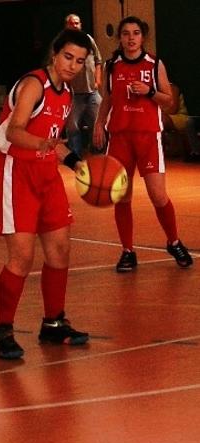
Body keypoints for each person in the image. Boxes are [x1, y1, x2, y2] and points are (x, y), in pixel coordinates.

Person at [0, 27, 91, 360]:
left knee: (60, 250)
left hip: (47, 174)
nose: (73, 65)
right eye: (68, 57)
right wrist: (41, 144)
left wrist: (76, 162)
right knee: (22, 258)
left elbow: (55, 142)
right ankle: (1, 330)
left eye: (80, 61)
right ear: (54, 54)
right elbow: (14, 132)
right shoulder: (34, 84)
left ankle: (54, 323)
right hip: (18, 173)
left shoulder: (67, 94)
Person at [93, 17, 193, 272]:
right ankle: (128, 251)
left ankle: (173, 240)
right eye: (126, 33)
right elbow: (107, 97)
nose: (131, 38)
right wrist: (99, 124)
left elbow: (168, 101)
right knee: (122, 197)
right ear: (120, 38)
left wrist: (148, 91)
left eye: (136, 33)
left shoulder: (154, 64)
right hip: (119, 138)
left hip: (148, 137)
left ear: (143, 37)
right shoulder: (112, 65)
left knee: (158, 196)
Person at [64, 11, 102, 157]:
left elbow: (98, 60)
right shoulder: (63, 44)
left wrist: (98, 81)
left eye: (77, 23)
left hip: (92, 92)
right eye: (71, 23)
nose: (74, 25)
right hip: (74, 94)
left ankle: (98, 156)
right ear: (66, 26)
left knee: (98, 124)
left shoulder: (88, 39)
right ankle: (75, 157)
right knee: (73, 128)